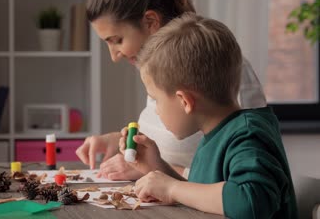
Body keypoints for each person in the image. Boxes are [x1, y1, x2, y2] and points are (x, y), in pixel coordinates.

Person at [75, 0, 266, 180]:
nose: (115, 56)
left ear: (150, 22)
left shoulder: (221, 67)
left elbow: (244, 181)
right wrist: (120, 140)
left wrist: (151, 170)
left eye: (117, 40)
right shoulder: (159, 67)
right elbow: (173, 137)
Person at [122, 12, 297, 218]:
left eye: (156, 100)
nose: (156, 110)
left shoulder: (248, 135)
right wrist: (157, 167)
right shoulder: (216, 134)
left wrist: (171, 189)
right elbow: (205, 197)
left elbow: (251, 201)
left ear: (185, 101)